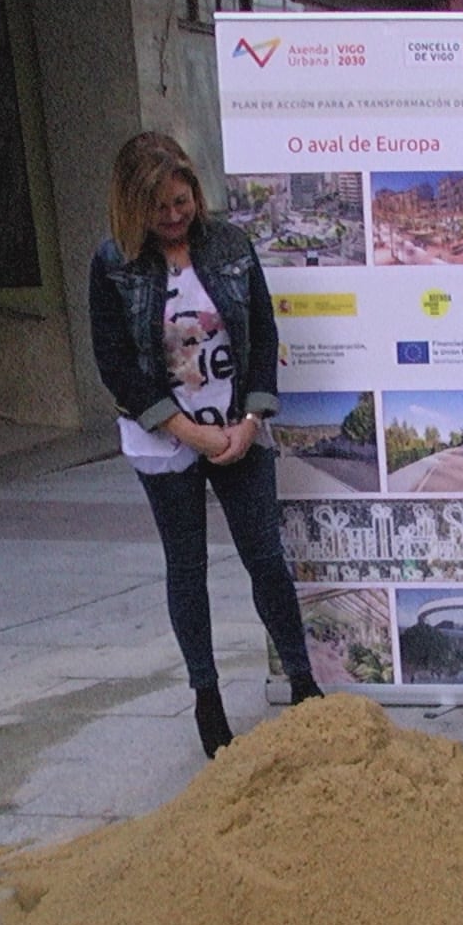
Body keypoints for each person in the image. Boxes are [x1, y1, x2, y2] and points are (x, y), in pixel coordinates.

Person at [87, 131, 323, 759]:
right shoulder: (112, 261)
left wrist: (249, 421)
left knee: (266, 558)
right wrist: (185, 429)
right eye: (159, 206)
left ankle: (304, 681)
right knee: (186, 568)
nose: (173, 214)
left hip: (238, 427)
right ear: (133, 204)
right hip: (165, 439)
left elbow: (264, 337)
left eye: (181, 198)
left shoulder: (229, 245)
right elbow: (115, 362)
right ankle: (206, 695)